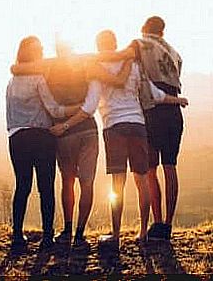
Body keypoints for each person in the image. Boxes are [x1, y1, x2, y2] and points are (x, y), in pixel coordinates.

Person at [10, 38, 133, 248]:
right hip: (81, 129)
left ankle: (58, 232)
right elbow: (79, 104)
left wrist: (64, 122)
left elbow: (52, 107)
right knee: (78, 184)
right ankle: (75, 234)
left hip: (45, 134)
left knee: (53, 183)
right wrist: (82, 110)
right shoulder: (84, 64)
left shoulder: (40, 72)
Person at [95, 30, 188, 246]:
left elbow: (91, 101)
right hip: (137, 124)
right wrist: (177, 100)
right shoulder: (138, 65)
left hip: (115, 126)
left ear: (98, 46)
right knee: (143, 178)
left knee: (118, 181)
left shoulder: (97, 66)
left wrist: (72, 119)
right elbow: (154, 94)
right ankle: (144, 232)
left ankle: (116, 235)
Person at [5, 36, 80, 251]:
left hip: (17, 138)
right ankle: (48, 237)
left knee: (22, 186)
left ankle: (17, 236)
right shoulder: (39, 79)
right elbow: (54, 110)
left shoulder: (11, 82)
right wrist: (79, 108)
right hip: (41, 137)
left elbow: (10, 116)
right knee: (46, 187)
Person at [130, 16, 188, 240]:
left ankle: (156, 221)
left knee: (151, 169)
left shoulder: (140, 44)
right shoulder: (175, 53)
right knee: (170, 167)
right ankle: (168, 224)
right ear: (163, 31)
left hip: (153, 110)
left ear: (144, 28)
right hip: (174, 112)